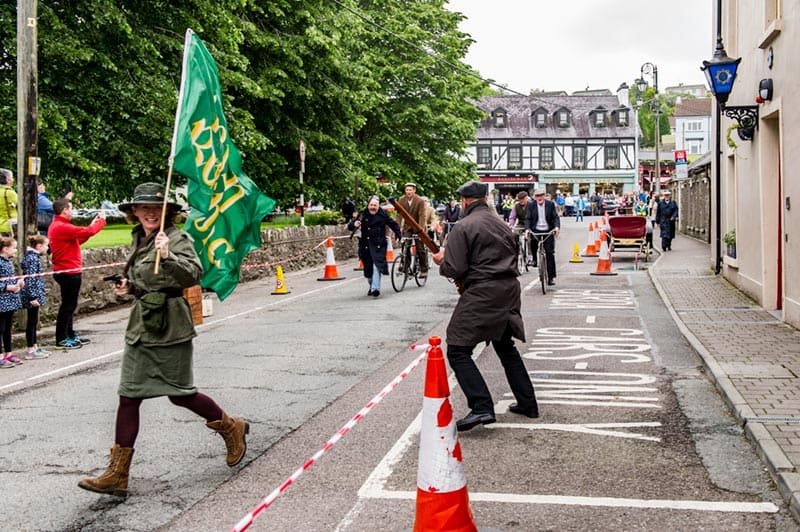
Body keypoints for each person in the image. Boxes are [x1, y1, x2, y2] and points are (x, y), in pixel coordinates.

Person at [78, 182, 248, 498]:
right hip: (142, 325)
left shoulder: (177, 239)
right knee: (129, 396)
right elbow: (146, 280)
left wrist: (168, 256)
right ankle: (117, 474)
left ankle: (231, 427)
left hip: (171, 326)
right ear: (135, 213)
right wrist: (130, 288)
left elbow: (193, 275)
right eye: (144, 208)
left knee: (180, 394)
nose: (150, 213)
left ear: (167, 212)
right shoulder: (138, 238)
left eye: (157, 208)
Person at [430, 181, 538, 431]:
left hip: (483, 291)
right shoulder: (502, 222)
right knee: (505, 346)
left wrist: (440, 260)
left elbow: (455, 267)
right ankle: (528, 403)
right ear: (485, 198)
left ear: (465, 202)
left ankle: (481, 407)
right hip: (509, 288)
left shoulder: (463, 226)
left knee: (457, 348)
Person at [49, 197, 106, 349]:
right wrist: (100, 222)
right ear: (65, 210)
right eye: (71, 208)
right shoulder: (60, 226)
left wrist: (93, 225)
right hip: (67, 271)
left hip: (69, 270)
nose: (72, 211)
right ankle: (61, 338)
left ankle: (69, 333)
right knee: (68, 306)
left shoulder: (61, 226)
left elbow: (79, 238)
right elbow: (87, 231)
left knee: (70, 305)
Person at [349, 196, 402, 297]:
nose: (373, 207)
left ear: (378, 206)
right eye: (371, 205)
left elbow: (394, 224)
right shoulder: (362, 214)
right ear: (368, 205)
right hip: (365, 245)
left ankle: (375, 288)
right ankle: (371, 285)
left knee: (377, 265)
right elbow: (350, 226)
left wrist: (398, 234)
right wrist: (354, 224)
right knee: (368, 270)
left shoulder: (383, 215)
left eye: (375, 205)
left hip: (379, 245)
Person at [21, 234, 51, 360]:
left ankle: (34, 346)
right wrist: (32, 297)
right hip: (32, 295)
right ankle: (30, 349)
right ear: (39, 246)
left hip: (35, 293)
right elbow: (30, 279)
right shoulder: (32, 258)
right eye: (46, 245)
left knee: (34, 321)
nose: (47, 248)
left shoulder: (33, 257)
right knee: (32, 322)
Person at [524, 187, 560, 285]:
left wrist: (556, 227)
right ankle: (534, 259)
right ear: (535, 197)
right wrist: (527, 229)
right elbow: (528, 218)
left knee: (549, 253)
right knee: (533, 244)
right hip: (536, 230)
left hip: (548, 231)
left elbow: (555, 217)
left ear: (544, 196)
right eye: (537, 196)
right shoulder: (531, 205)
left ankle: (551, 277)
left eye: (541, 195)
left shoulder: (550, 204)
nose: (539, 197)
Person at [0, 237, 24, 368]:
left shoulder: (8, 262)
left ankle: (8, 353)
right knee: (0, 328)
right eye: (14, 247)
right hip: (1, 301)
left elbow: (9, 279)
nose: (15, 250)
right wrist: (6, 287)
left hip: (10, 300)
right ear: (5, 249)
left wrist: (17, 283)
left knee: (7, 328)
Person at [396, 183, 429, 278]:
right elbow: (399, 214)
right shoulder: (402, 200)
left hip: (418, 226)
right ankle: (405, 266)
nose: (408, 192)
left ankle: (423, 269)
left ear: (414, 190)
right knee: (405, 245)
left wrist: (420, 230)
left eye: (410, 190)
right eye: (407, 190)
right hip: (408, 227)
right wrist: (397, 226)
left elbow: (422, 215)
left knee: (420, 248)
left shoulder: (420, 201)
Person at [0, 168, 18, 237]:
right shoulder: (10, 193)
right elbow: (22, 206)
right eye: (12, 178)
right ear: (8, 180)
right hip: (10, 226)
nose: (13, 180)